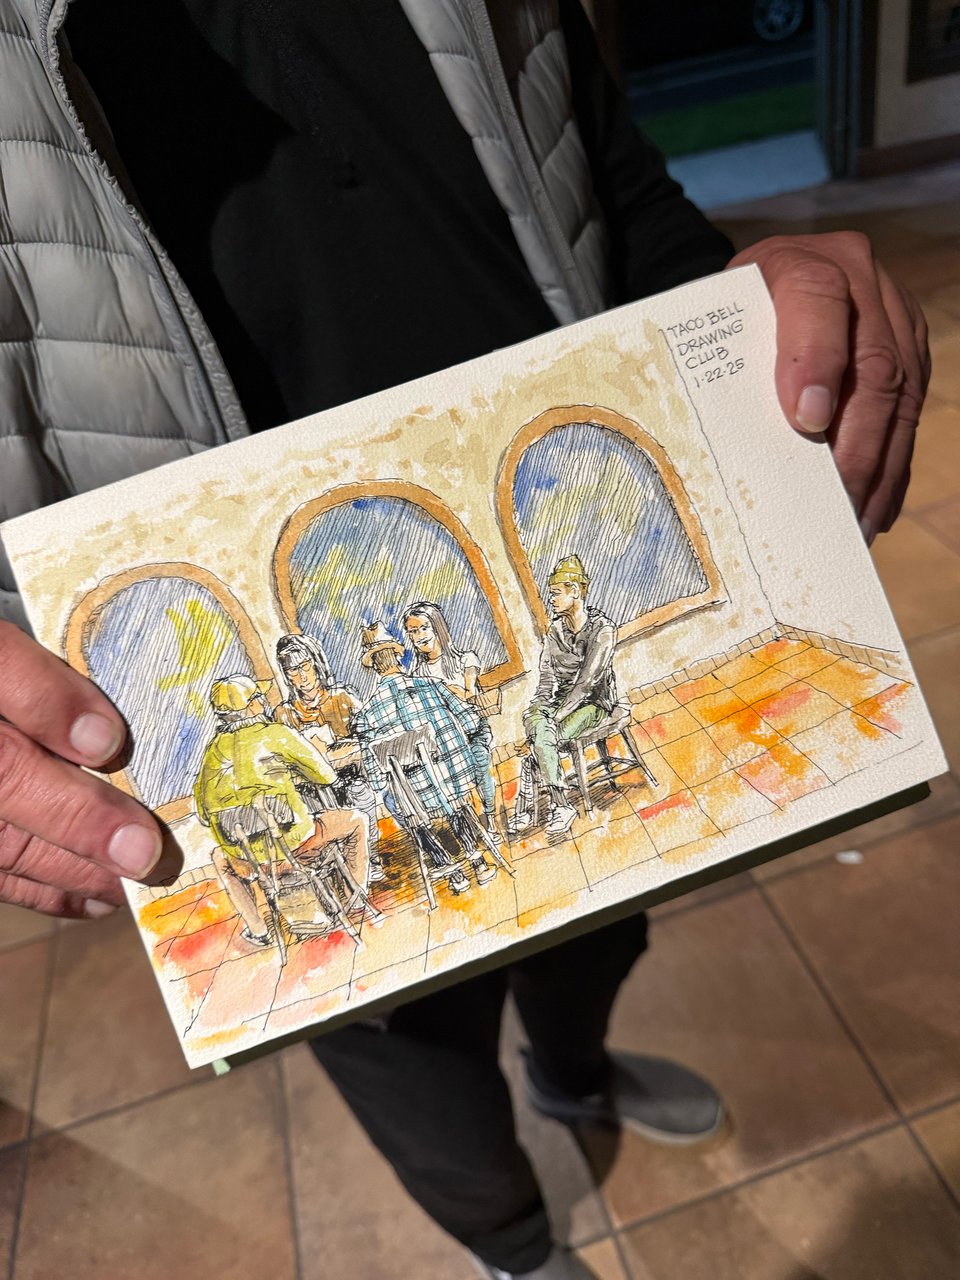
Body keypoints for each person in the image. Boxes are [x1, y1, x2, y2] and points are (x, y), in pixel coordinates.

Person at [0, 4, 929, 1279]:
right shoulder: (292, 719)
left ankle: (572, 1069)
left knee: (601, 922)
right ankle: (512, 1245)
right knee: (414, 1050)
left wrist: (733, 312)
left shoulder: (473, 654)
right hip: (264, 792)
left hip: (484, 710)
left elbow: (595, 161)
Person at [194, 674, 378, 945]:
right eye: (258, 698)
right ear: (250, 706)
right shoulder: (275, 734)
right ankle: (357, 897)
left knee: (220, 858)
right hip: (297, 850)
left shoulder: (212, 753)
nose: (262, 702)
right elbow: (325, 775)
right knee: (356, 819)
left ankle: (258, 930)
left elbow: (202, 813)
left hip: (250, 863)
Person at [353, 620, 499, 894]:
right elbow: (471, 722)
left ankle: (451, 870)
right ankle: (477, 861)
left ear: (374, 666)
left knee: (400, 804)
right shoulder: (432, 686)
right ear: (398, 656)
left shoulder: (366, 716)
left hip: (415, 799)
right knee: (452, 797)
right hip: (453, 782)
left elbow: (374, 777)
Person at [510, 557, 616, 838]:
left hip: (594, 704)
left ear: (575, 591)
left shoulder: (603, 630)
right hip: (558, 704)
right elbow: (546, 680)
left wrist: (552, 719)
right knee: (534, 720)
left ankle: (544, 805)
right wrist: (538, 709)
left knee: (542, 738)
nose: (551, 599)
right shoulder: (555, 631)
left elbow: (586, 684)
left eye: (556, 593)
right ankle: (557, 805)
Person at [273, 632, 386, 880]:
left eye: (305, 666)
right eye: (293, 671)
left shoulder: (342, 698)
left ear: (317, 664)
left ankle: (370, 857)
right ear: (286, 675)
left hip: (351, 777)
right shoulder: (284, 714)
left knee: (359, 792)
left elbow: (369, 736)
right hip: (312, 789)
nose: (302, 677)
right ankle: (336, 862)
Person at [403, 600, 500, 839]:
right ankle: (465, 823)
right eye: (413, 632)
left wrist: (444, 689)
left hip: (473, 731)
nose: (419, 636)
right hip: (444, 738)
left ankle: (490, 817)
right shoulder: (417, 675)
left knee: (479, 762)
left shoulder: (464, 660)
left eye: (424, 628)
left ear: (438, 628)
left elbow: (470, 696)